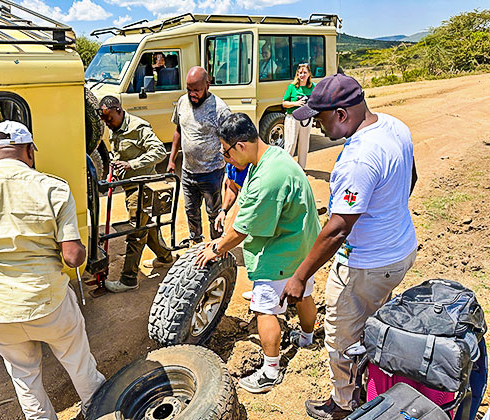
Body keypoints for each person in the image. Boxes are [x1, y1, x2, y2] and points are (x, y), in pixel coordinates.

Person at [0, 121, 105, 420]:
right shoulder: (52, 188)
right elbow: (72, 257)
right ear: (29, 151)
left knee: (24, 376)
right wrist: (82, 251)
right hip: (48, 302)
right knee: (78, 361)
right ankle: (101, 410)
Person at [282, 74, 418, 419]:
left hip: (366, 264)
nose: (316, 124)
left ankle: (345, 405)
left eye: (320, 117)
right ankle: (371, 387)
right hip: (400, 250)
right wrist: (386, 214)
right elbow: (411, 177)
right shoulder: (394, 126)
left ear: (341, 114)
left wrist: (300, 276)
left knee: (342, 338)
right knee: (372, 324)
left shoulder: (358, 158)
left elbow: (338, 228)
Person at [195, 113, 321, 393]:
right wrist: (226, 214)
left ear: (240, 146)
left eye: (226, 152)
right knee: (303, 292)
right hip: (303, 242)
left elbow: (242, 231)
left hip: (282, 250)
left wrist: (216, 248)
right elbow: (244, 197)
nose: (226, 160)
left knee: (264, 309)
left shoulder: (268, 178)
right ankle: (307, 337)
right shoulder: (269, 156)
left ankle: (270, 370)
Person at [98, 95, 174, 293]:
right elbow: (118, 156)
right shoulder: (115, 127)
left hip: (144, 187)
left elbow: (159, 152)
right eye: (104, 120)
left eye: (109, 119)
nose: (107, 123)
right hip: (130, 186)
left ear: (119, 110)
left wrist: (132, 164)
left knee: (135, 232)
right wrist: (112, 175)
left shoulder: (138, 127)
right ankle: (165, 257)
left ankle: (129, 278)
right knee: (145, 227)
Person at [167, 66, 231, 244]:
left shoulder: (220, 109)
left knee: (214, 214)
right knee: (191, 212)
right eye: (189, 90)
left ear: (207, 85)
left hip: (212, 172)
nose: (192, 94)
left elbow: (230, 141)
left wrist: (232, 168)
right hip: (188, 172)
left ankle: (217, 248)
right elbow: (178, 130)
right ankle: (196, 244)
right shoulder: (182, 102)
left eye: (197, 90)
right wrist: (172, 160)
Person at [282, 63, 315, 169]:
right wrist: (296, 104)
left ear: (309, 74)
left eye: (305, 72)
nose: (302, 75)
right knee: (290, 144)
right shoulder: (292, 87)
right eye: (300, 73)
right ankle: (286, 168)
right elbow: (284, 103)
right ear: (297, 74)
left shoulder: (313, 87)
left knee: (304, 145)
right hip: (293, 118)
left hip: (306, 119)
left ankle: (301, 168)